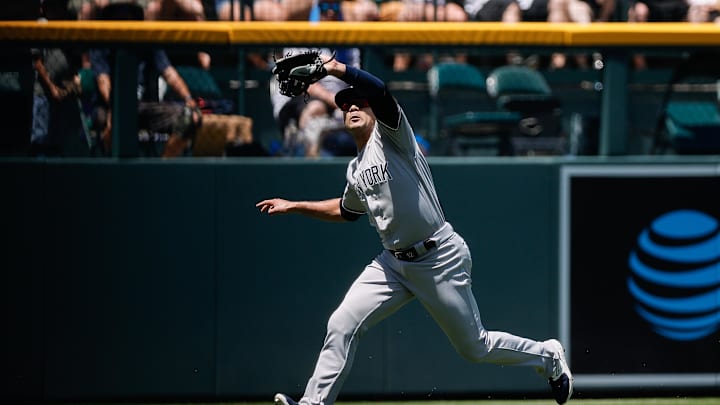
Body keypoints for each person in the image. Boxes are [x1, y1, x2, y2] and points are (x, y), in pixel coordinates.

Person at [256, 58, 574, 404]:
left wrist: (335, 69)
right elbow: (347, 211)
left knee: (475, 348)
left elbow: (378, 90)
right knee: (342, 324)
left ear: (374, 112)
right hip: (391, 265)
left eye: (358, 103)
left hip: (438, 256)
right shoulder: (355, 168)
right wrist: (295, 205)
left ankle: (548, 357)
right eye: (345, 105)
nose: (352, 107)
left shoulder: (394, 138)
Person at [88, 1, 201, 157]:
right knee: (108, 120)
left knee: (189, 118)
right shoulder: (100, 43)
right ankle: (114, 174)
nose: (125, 19)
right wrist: (116, 108)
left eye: (129, 14)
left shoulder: (146, 40)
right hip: (108, 107)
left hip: (142, 107)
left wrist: (189, 99)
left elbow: (169, 73)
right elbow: (103, 82)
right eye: (118, 14)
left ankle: (162, 169)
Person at [31, 0, 86, 156]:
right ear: (44, 8)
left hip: (65, 93)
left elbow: (77, 58)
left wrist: (73, 82)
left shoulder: (68, 25)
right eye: (53, 6)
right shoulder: (41, 25)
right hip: (44, 92)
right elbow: (37, 61)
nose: (57, 10)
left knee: (60, 143)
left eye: (60, 6)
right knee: (41, 141)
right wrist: (51, 87)